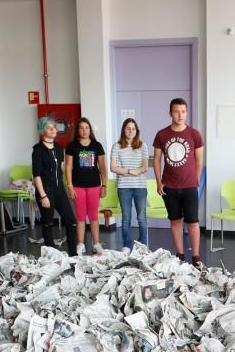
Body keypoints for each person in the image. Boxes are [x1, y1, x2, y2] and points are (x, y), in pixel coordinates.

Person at [153, 98, 204, 264]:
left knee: (193, 223)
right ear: (170, 113)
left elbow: (199, 160)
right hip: (170, 186)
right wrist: (158, 182)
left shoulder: (194, 134)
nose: (180, 115)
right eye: (176, 111)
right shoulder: (162, 134)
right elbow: (156, 160)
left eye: (183, 111)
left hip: (189, 186)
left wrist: (195, 180)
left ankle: (196, 258)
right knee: (175, 221)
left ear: (186, 112)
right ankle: (180, 256)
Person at [31, 118, 77, 254]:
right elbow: (36, 175)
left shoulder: (58, 148)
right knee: (48, 223)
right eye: (49, 127)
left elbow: (62, 167)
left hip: (59, 190)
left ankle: (73, 254)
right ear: (42, 130)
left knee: (71, 220)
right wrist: (43, 196)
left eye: (54, 127)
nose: (53, 130)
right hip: (45, 190)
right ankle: (51, 255)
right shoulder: (38, 150)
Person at [65, 118, 107, 255]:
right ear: (77, 130)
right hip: (78, 186)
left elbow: (102, 167)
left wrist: (104, 185)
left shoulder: (97, 145)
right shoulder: (72, 146)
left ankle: (96, 244)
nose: (84, 130)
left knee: (93, 216)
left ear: (90, 130)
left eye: (87, 128)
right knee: (80, 216)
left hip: (94, 185)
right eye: (81, 128)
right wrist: (70, 186)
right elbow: (68, 167)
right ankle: (81, 244)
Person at [110, 118, 149, 252]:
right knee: (126, 218)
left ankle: (142, 246)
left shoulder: (143, 146)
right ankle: (126, 245)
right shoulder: (116, 146)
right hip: (123, 187)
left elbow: (144, 167)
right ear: (123, 130)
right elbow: (113, 168)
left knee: (142, 218)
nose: (131, 131)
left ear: (136, 131)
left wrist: (126, 171)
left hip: (140, 187)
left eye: (133, 129)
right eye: (128, 128)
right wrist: (131, 171)